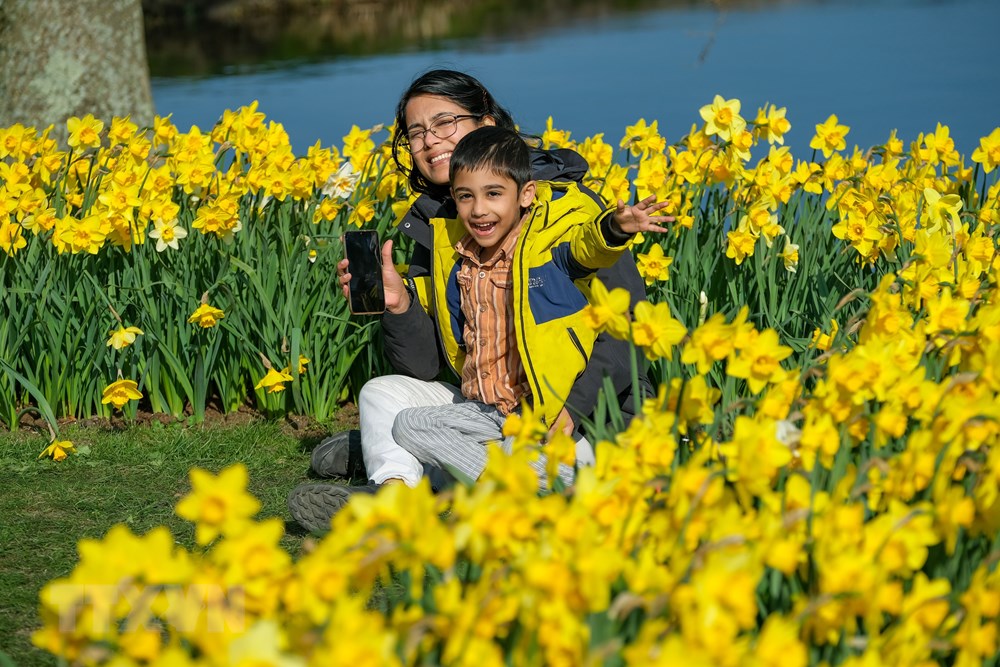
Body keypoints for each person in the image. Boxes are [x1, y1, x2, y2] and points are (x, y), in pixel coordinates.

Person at [287, 70, 655, 532]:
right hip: (495, 408)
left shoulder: (567, 211)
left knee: (506, 455)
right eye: (416, 132)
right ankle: (397, 494)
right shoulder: (441, 225)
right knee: (382, 395)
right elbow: (423, 368)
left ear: (485, 125)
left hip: (581, 413)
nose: (429, 141)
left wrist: (575, 409)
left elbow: (630, 328)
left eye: (444, 123)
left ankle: (434, 477)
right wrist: (399, 306)